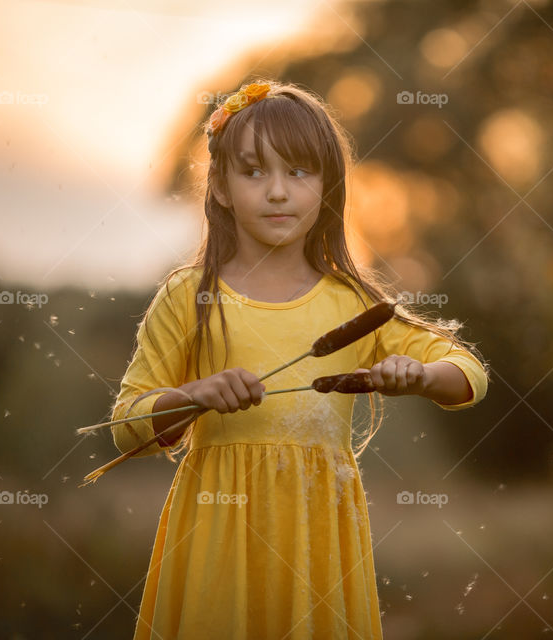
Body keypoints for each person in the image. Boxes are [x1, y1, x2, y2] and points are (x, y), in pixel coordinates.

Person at [109, 79, 489, 639]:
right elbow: (126, 424)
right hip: (216, 536)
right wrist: (192, 396)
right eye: (254, 172)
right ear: (218, 186)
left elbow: (469, 376)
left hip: (319, 539)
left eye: (300, 172)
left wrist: (421, 376)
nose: (279, 192)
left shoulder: (354, 303)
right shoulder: (189, 296)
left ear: (328, 187)